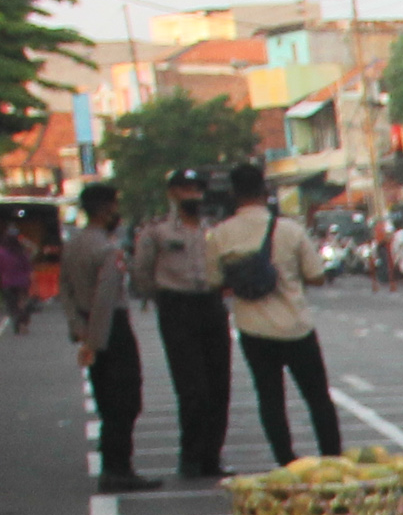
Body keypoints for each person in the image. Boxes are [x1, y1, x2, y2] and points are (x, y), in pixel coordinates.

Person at [208, 165, 339, 468]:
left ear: (233, 194)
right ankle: (332, 459)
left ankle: (286, 460)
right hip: (296, 326)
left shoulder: (219, 235)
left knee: (270, 398)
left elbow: (214, 282)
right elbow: (317, 275)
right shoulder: (289, 230)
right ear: (265, 193)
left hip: (253, 328)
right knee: (317, 396)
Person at [133, 171, 232, 482]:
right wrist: (162, 297)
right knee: (192, 388)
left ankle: (211, 457)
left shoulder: (212, 230)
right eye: (186, 189)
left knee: (219, 385)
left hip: (211, 305)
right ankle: (190, 457)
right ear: (173, 193)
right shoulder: (157, 231)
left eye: (197, 189)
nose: (194, 195)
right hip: (177, 306)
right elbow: (142, 272)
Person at [64, 182, 151, 494]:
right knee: (124, 400)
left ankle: (114, 466)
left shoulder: (74, 244)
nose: (118, 213)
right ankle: (118, 468)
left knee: (107, 399)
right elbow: (105, 299)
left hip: (89, 324)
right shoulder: (108, 248)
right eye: (114, 206)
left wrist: (80, 330)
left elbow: (66, 292)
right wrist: (95, 343)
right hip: (110, 328)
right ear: (104, 209)